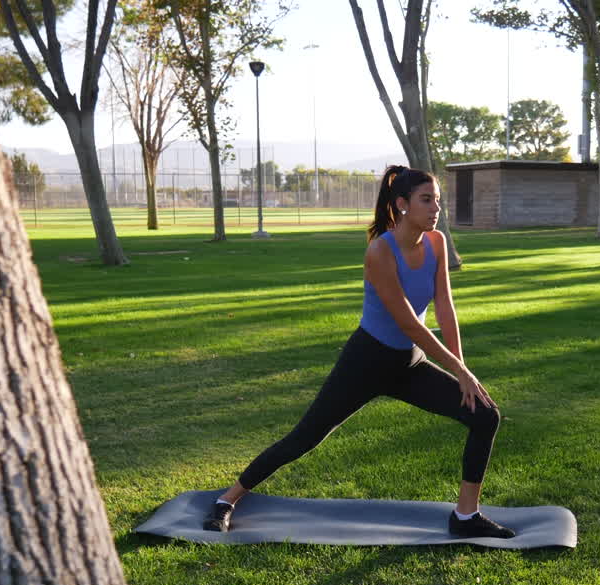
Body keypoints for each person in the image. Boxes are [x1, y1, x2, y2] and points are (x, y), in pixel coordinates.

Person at [202, 165, 514, 539]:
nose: (436, 209)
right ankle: (228, 500)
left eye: (438, 201)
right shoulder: (380, 252)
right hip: (366, 362)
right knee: (304, 438)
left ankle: (465, 517)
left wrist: (461, 367)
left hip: (409, 364)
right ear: (402, 205)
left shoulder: (436, 243)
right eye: (426, 200)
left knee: (485, 416)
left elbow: (444, 307)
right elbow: (410, 324)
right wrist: (459, 370)